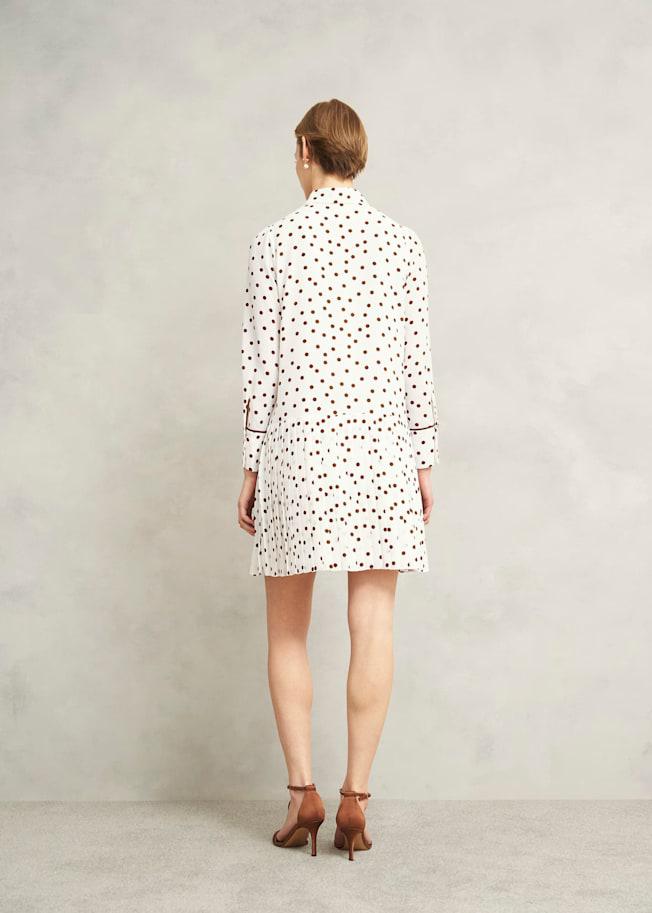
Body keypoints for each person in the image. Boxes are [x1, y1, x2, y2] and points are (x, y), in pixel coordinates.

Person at [237, 99, 440, 860]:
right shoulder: (403, 244)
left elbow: (260, 368)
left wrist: (251, 464)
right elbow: (416, 364)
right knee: (374, 627)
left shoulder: (273, 244)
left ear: (304, 151)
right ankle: (356, 798)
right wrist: (423, 460)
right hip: (382, 452)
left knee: (286, 630)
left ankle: (303, 795)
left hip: (297, 453)